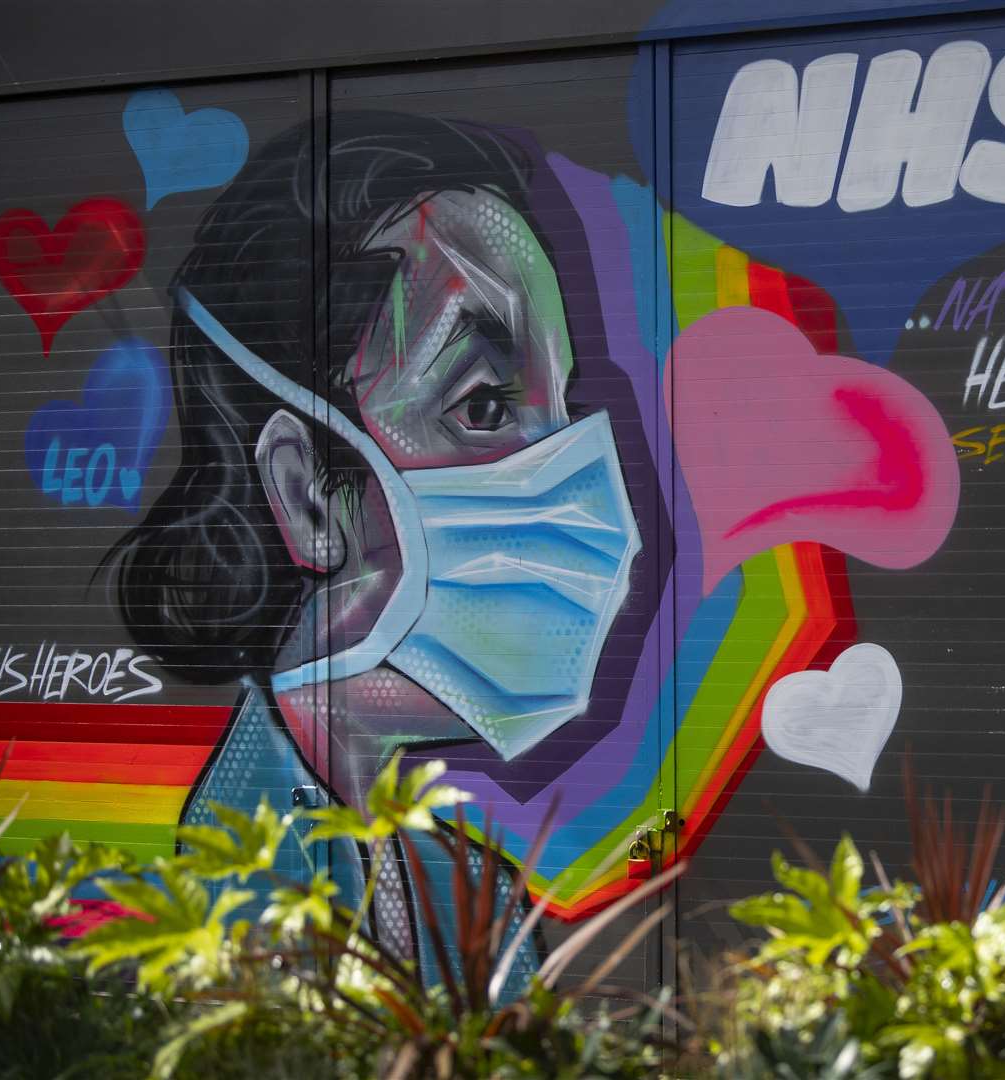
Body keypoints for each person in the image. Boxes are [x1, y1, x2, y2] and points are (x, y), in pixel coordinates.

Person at [108, 111, 665, 987]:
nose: (572, 483)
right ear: (307, 496)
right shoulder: (235, 879)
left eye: (557, 409)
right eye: (485, 408)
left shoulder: (469, 884)